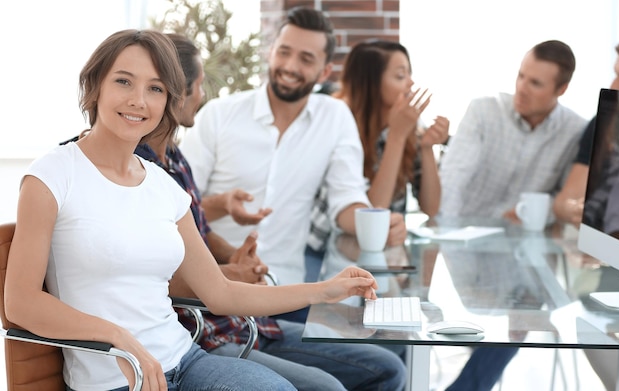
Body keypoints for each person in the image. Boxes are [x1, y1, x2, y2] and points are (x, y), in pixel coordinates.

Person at [4, 28, 384, 391]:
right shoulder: (52, 175)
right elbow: (20, 302)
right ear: (95, 86)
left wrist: (326, 290)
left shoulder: (163, 185)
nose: (139, 100)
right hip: (116, 378)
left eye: (155, 88)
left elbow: (221, 293)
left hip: (186, 361)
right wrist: (116, 335)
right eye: (123, 81)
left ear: (168, 101)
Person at [133, 32, 406, 391]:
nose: (202, 95)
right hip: (206, 323)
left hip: (244, 311)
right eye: (199, 85)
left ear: (324, 70)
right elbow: (157, 270)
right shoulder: (148, 165)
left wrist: (238, 259)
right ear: (177, 91)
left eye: (306, 58)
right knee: (329, 386)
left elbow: (195, 229)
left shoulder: (175, 158)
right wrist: (231, 271)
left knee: (388, 364)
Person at [179, 7, 407, 290]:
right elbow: (175, 208)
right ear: (270, 51)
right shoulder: (218, 115)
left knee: (360, 331)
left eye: (306, 58)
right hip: (215, 286)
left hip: (285, 290)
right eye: (284, 52)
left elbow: (346, 197)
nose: (290, 66)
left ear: (325, 71)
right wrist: (223, 204)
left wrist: (376, 226)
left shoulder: (335, 117)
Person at [439, 40, 588, 391]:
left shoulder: (575, 131)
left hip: (523, 256)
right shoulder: (483, 110)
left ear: (561, 89)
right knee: (436, 321)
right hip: (461, 252)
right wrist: (443, 233)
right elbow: (452, 182)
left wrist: (541, 209)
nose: (522, 87)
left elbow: (566, 195)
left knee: (523, 322)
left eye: (535, 82)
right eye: (521, 76)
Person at [308, 39, 449, 282]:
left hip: (382, 260)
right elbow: (370, 218)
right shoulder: (339, 125)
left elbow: (431, 207)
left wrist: (426, 148)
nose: (410, 84)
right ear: (371, 83)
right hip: (328, 259)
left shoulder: (408, 126)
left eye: (409, 74)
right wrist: (397, 136)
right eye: (400, 75)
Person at [553, 39, 619, 227]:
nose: (614, 85)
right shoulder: (603, 124)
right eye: (616, 75)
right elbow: (562, 203)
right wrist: (574, 211)